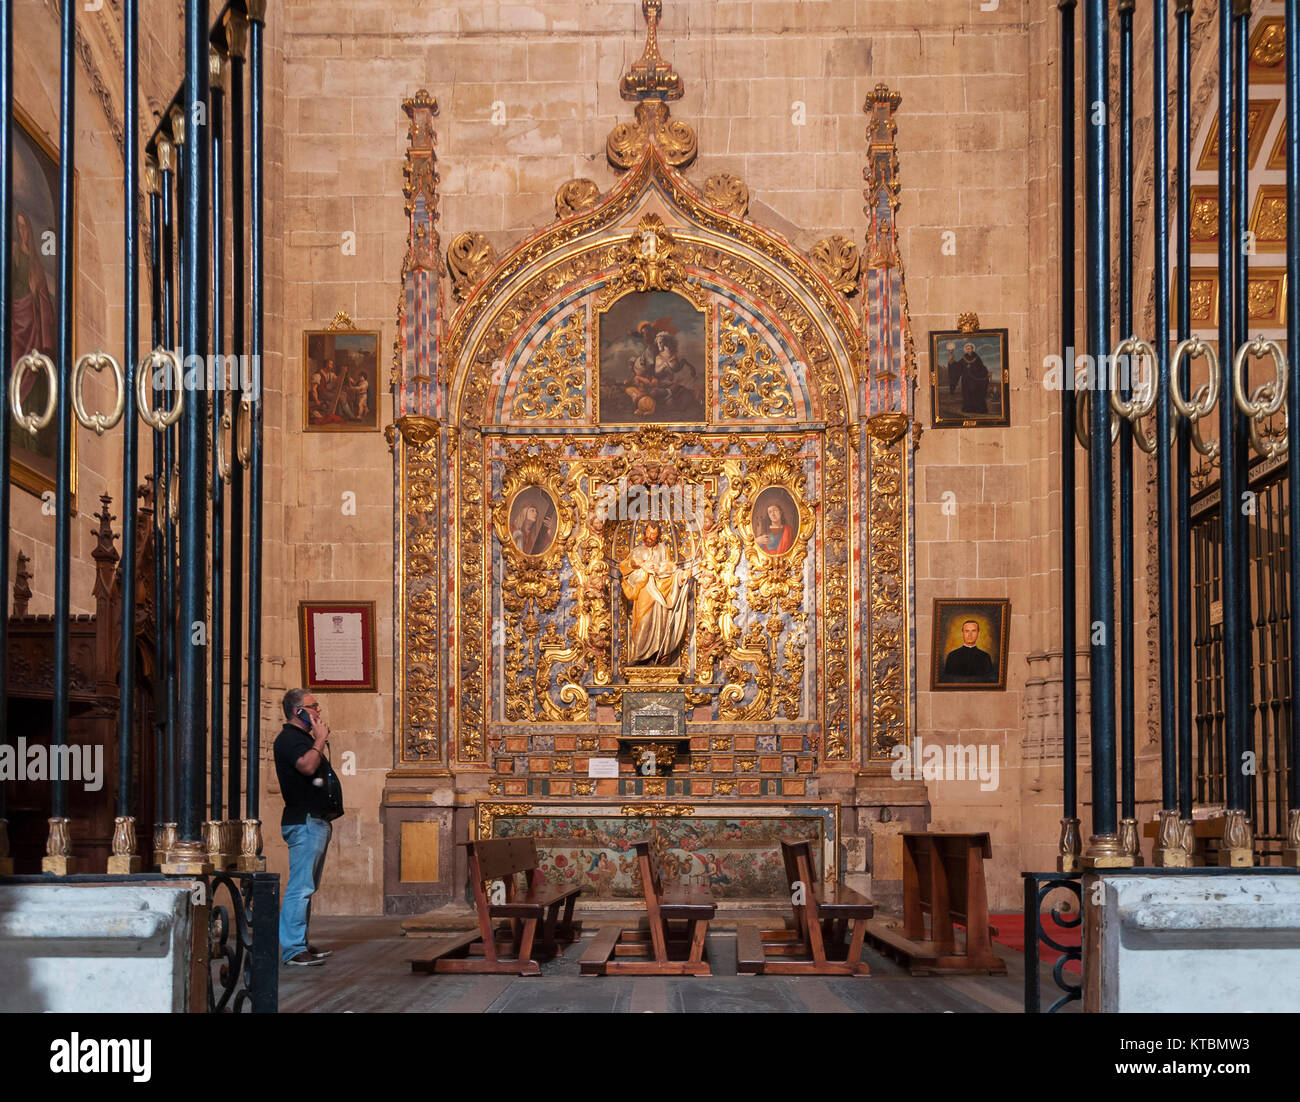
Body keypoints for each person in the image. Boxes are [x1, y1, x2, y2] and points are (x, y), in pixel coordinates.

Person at [274, 688, 343, 966]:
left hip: (314, 820)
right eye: (313, 707)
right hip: (304, 821)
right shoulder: (290, 739)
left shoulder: (301, 738)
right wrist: (321, 739)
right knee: (300, 887)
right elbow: (305, 766)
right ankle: (292, 949)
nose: (318, 712)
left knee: (307, 886)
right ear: (297, 711)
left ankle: (299, 942)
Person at [618, 522, 692, 665]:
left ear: (658, 535)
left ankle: (660, 652)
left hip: (661, 592)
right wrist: (639, 564)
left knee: (661, 622)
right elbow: (624, 568)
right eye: (649, 533)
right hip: (644, 590)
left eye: (654, 534)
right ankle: (639, 655)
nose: (650, 537)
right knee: (643, 622)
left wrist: (682, 575)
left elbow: (671, 569)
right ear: (644, 533)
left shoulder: (663, 549)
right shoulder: (637, 551)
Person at [947, 341, 991, 415]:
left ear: (972, 349)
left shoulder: (977, 358)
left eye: (969, 348)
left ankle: (978, 409)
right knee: (967, 394)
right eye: (967, 349)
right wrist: (952, 362)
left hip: (975, 380)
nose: (968, 350)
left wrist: (986, 373)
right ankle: (968, 409)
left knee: (976, 393)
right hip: (966, 380)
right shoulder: (964, 358)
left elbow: (981, 368)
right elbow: (958, 366)